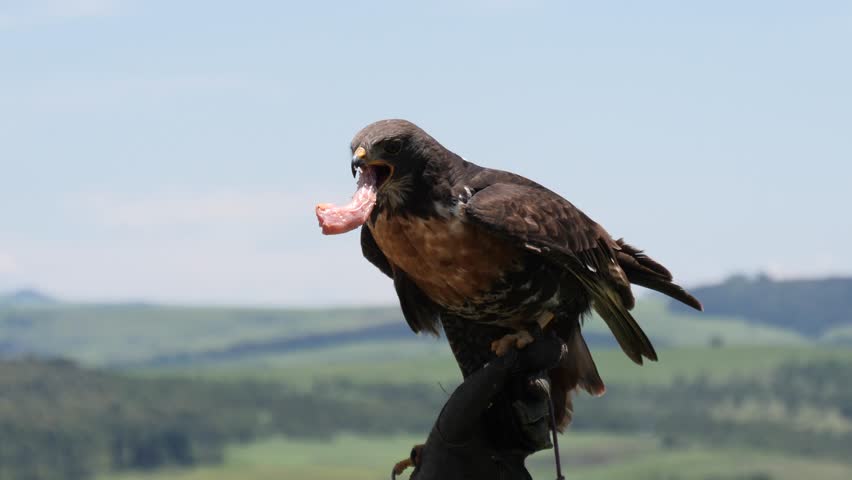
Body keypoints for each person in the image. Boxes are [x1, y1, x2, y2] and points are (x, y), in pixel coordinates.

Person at [392, 333, 568, 480]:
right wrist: (526, 357)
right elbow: (492, 377)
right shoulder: (451, 432)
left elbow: (488, 381)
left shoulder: (451, 434)